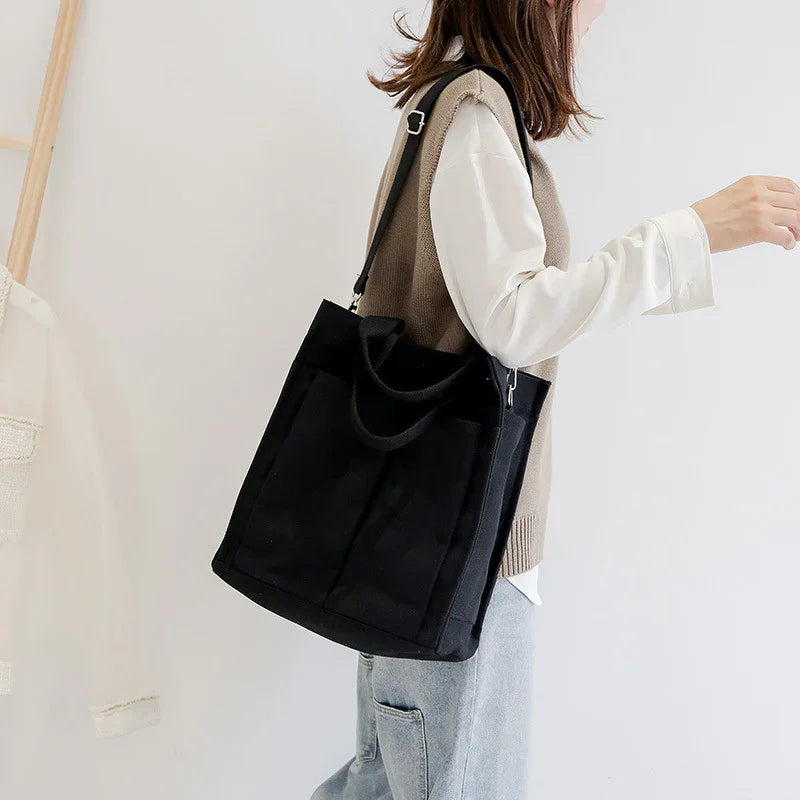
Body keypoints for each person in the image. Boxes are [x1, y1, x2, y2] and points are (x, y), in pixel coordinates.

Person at [311, 2, 800, 798]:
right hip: (458, 547)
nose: (592, 23)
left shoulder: (461, 104)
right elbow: (516, 318)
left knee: (384, 783)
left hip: (422, 538)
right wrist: (692, 231)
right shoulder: (474, 114)